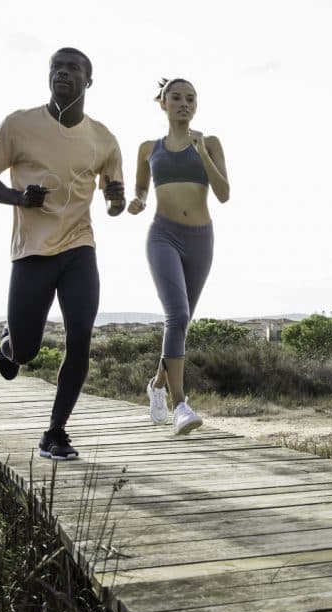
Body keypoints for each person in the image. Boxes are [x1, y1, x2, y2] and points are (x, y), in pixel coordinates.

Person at [0, 47, 125, 460]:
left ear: (87, 81)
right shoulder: (19, 124)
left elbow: (113, 202)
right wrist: (19, 198)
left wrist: (115, 200)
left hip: (79, 248)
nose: (62, 72)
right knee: (27, 349)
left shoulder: (104, 139)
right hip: (32, 253)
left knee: (80, 336)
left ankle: (55, 432)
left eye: (72, 68)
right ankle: (10, 347)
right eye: (56, 67)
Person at [129, 78, 230, 435]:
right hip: (163, 235)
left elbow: (224, 194)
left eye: (191, 99)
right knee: (178, 314)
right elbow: (141, 186)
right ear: (164, 104)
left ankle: (157, 386)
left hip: (201, 239)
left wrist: (201, 152)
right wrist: (138, 200)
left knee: (181, 323)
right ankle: (180, 405)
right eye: (177, 98)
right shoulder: (147, 148)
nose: (184, 104)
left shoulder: (210, 142)